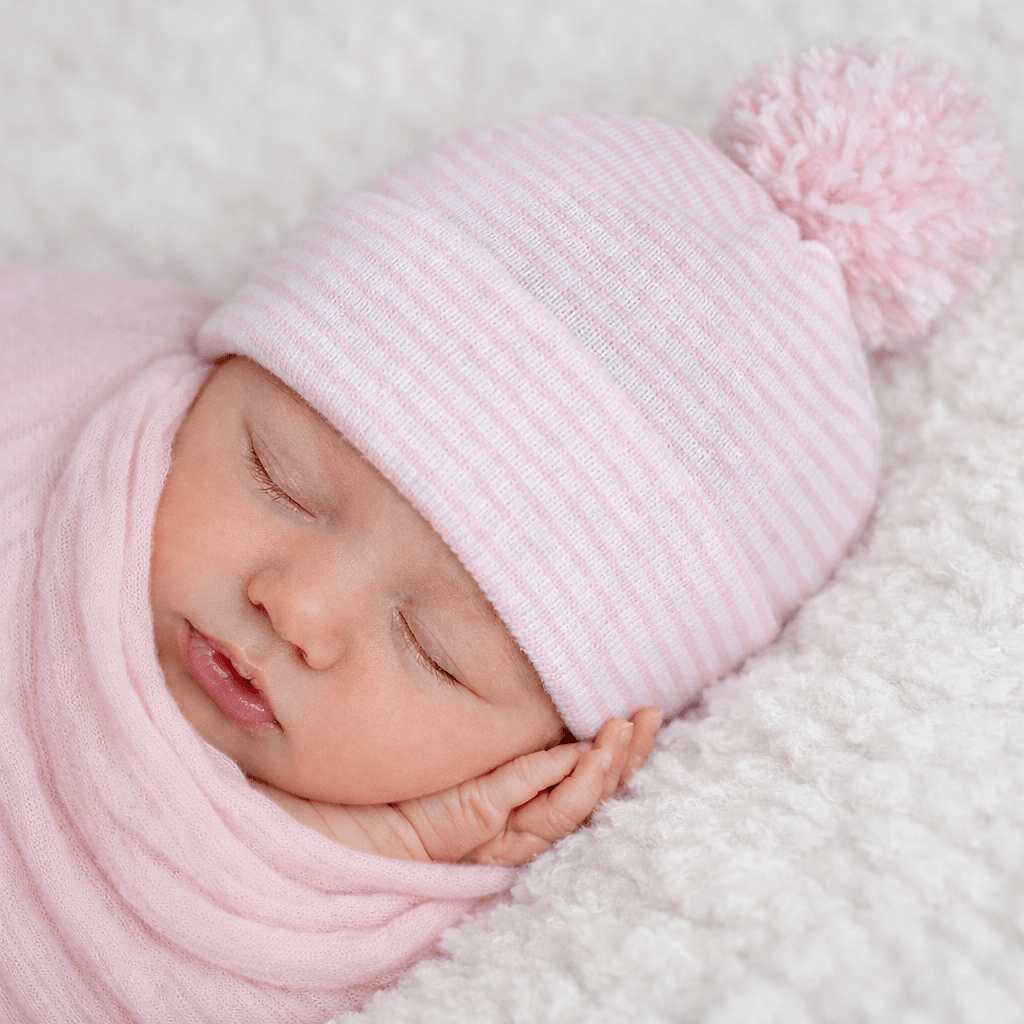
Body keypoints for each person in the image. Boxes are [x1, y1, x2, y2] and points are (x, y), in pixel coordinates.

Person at [0, 45, 1011, 1023]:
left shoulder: (444, 925)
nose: (296, 606)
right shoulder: (51, 389)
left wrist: (394, 844)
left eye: (431, 650)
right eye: (279, 476)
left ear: (548, 761)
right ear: (223, 362)